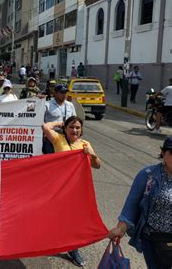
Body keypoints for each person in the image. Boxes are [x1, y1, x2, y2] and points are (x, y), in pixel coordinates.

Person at [42, 115, 101, 267]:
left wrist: (92, 154)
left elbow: (97, 165)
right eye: (71, 127)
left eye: (77, 128)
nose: (74, 130)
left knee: (72, 220)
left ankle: (73, 249)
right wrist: (59, 123)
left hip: (77, 190)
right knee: (55, 217)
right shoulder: (58, 139)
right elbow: (45, 127)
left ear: (81, 131)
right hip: (58, 188)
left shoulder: (85, 144)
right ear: (65, 129)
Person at [108, 136, 172, 269]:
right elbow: (132, 204)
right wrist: (121, 227)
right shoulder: (148, 175)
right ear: (163, 153)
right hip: (154, 240)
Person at [43, 84, 76, 154]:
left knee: (65, 158)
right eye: (61, 92)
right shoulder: (47, 105)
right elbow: (41, 122)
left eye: (65, 92)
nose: (64, 95)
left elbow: (75, 120)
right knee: (51, 158)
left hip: (67, 136)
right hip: (51, 137)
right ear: (55, 93)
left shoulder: (70, 105)